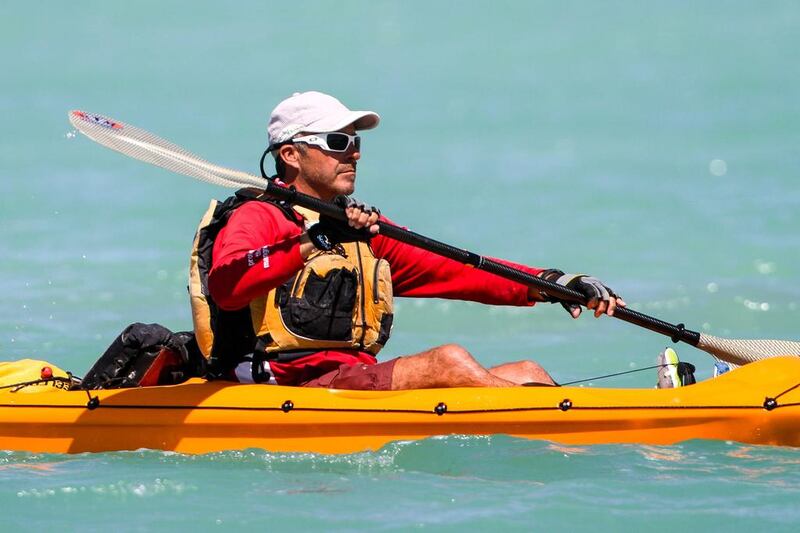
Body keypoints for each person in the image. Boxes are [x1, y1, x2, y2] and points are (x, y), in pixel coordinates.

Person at [191, 91, 625, 390]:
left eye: (356, 142)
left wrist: (552, 283)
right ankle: (556, 429)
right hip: (282, 386)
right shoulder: (257, 216)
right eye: (339, 142)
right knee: (448, 361)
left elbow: (456, 269)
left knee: (527, 371)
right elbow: (228, 287)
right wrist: (312, 241)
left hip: (351, 382)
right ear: (291, 155)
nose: (354, 153)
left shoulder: (357, 231)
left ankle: (573, 435)